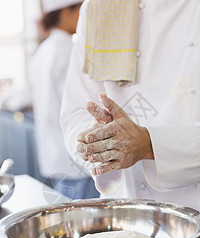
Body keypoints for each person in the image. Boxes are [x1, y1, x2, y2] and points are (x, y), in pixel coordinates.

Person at [60, 0, 200, 211]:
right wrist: (98, 140)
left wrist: (149, 144)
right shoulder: (99, 6)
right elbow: (76, 111)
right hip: (125, 208)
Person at [32, 0, 100, 200]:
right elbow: (83, 104)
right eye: (80, 10)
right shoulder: (68, 51)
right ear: (67, 12)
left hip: (54, 158)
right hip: (76, 159)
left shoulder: (43, 50)